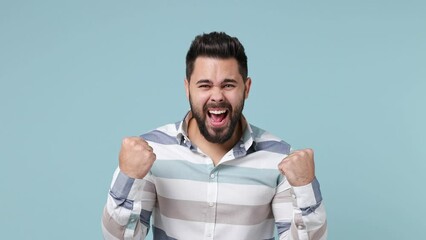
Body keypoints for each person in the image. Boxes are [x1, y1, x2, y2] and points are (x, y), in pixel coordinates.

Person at [102, 31, 327, 240]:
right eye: (204, 85)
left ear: (246, 88)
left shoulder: (278, 157)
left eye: (228, 85)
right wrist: (127, 178)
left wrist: (305, 188)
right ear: (187, 88)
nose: (217, 96)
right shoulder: (152, 150)